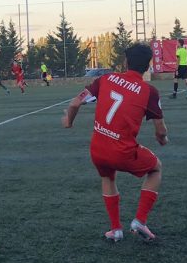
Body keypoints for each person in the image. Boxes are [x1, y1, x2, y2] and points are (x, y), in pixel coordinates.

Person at [62, 43, 168, 243]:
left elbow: (74, 103)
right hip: (123, 152)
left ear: (126, 61)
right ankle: (140, 221)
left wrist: (68, 122)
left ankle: (115, 229)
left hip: (98, 149)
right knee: (156, 169)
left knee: (108, 178)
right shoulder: (149, 91)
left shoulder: (105, 79)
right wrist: (162, 138)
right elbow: (160, 130)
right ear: (147, 66)